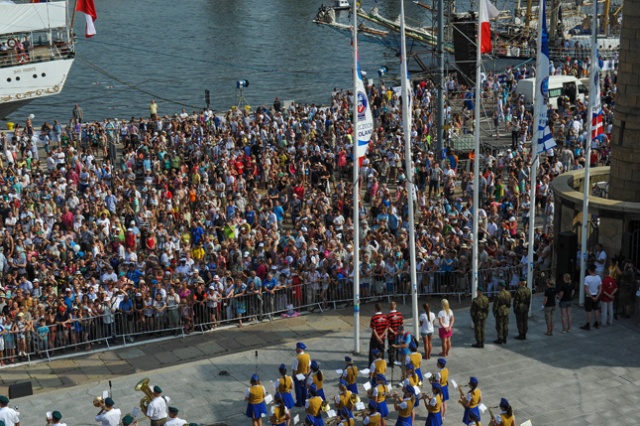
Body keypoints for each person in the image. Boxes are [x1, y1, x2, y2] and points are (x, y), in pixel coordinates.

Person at [580, 265, 602, 330]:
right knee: (596, 309)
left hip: (589, 296)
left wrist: (591, 296)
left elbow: (586, 289)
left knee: (588, 310)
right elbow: (600, 288)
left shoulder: (587, 278)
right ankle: (596, 322)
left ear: (589, 270)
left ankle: (588, 324)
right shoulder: (598, 277)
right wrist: (597, 296)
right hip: (596, 295)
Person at [293, 342, 311, 407]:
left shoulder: (297, 358)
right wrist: (307, 373)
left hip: (298, 375)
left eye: (297, 348)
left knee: (298, 389)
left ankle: (299, 402)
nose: (296, 349)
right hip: (305, 374)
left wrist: (293, 376)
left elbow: (294, 369)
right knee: (304, 388)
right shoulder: (307, 356)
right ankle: (304, 401)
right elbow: (309, 366)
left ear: (299, 349)